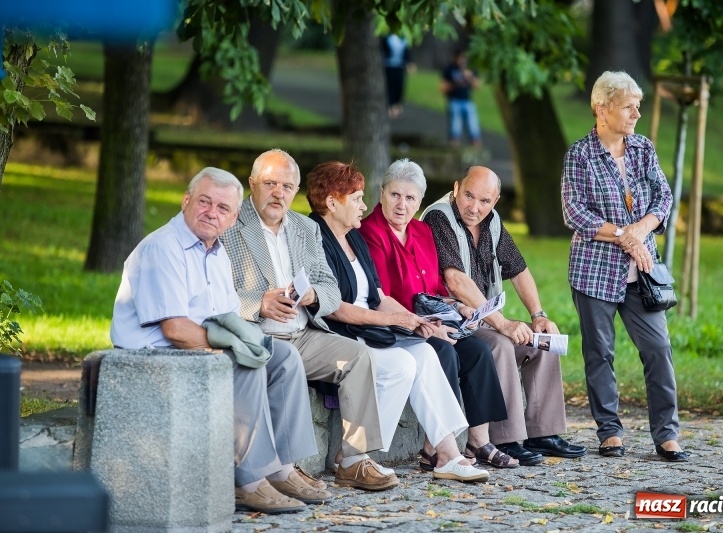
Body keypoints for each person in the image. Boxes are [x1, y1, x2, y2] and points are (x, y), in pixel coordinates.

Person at [110, 167, 330, 515]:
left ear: (233, 218)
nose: (212, 213)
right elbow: (175, 330)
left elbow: (227, 316)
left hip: (198, 349)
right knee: (247, 365)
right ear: (186, 201)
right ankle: (249, 481)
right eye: (204, 202)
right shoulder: (162, 248)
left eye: (223, 208)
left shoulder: (216, 253)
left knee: (284, 357)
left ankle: (282, 467)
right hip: (158, 358)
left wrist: (243, 343)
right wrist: (234, 347)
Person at [220, 149, 406, 491]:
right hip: (255, 335)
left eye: (287, 186)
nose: (279, 193)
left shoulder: (305, 228)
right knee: (284, 360)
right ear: (252, 184)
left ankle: (353, 461)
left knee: (357, 356)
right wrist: (258, 304)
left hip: (302, 334)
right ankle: (281, 471)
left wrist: (314, 296)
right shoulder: (229, 224)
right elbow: (213, 293)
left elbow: (331, 288)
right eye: (270, 183)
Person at [306, 160, 491, 483]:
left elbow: (377, 294)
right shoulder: (316, 237)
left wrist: (413, 319)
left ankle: (448, 455)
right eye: (357, 198)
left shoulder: (353, 236)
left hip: (371, 327)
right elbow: (334, 308)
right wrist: (394, 319)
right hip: (344, 332)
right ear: (332, 203)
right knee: (403, 364)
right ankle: (353, 455)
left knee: (425, 354)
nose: (365, 206)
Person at [359, 158, 525, 469]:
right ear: (382, 193)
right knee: (444, 353)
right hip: (397, 325)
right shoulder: (371, 233)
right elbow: (380, 297)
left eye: (410, 198)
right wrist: (425, 325)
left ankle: (479, 440)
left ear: (419, 201)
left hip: (433, 318)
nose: (401, 205)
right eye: (395, 195)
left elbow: (435, 287)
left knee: (477, 350)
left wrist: (457, 307)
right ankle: (435, 447)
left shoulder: (421, 232)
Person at [560, 70, 688, 462]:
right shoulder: (579, 155)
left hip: (641, 274)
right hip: (593, 271)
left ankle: (666, 434)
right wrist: (623, 235)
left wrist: (639, 230)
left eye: (638, 106)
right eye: (628, 106)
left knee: (658, 347)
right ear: (602, 108)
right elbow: (574, 212)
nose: (636, 114)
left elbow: (663, 197)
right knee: (600, 353)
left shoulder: (643, 148)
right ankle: (609, 431)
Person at [421, 166, 587, 463]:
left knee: (541, 340)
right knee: (500, 343)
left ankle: (542, 432)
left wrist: (538, 314)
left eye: (484, 201)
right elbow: (455, 281)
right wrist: (503, 324)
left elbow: (519, 270)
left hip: (483, 318)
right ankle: (506, 439)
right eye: (469, 196)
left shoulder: (492, 222)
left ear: (495, 201)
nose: (474, 207)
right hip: (453, 319)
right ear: (457, 188)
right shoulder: (439, 217)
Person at [441, 49, 481, 147]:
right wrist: (456, 83)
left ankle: (476, 145)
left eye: (464, 58)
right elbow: (443, 88)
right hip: (454, 101)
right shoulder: (450, 69)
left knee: (473, 125)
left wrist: (470, 77)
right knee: (455, 125)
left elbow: (477, 85)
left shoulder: (470, 69)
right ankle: (454, 144)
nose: (462, 60)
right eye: (460, 57)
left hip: (467, 101)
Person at [381, 33, 412, 119]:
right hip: (388, 66)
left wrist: (408, 63)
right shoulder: (386, 37)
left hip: (399, 67)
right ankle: (390, 106)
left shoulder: (404, 38)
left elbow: (407, 52)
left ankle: (397, 105)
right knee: (389, 86)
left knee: (399, 86)